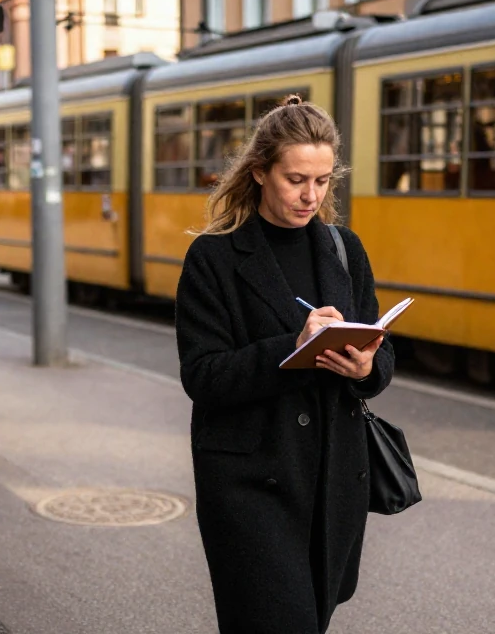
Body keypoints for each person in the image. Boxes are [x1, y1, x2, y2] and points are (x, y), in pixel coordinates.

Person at [174, 95, 395, 634]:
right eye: (296, 179)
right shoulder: (214, 257)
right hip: (251, 484)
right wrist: (292, 346)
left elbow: (382, 356)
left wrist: (366, 368)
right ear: (259, 172)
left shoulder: (345, 249)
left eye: (322, 181)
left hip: (333, 481)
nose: (310, 195)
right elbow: (202, 376)